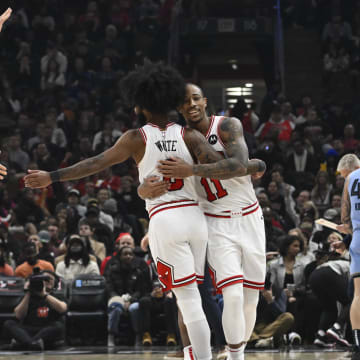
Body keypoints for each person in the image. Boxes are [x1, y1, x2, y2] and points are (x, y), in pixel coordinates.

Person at [24, 63, 264, 360]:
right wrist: (252, 166)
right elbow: (224, 166)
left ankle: (199, 357)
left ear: (139, 105)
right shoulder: (190, 135)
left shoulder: (136, 138)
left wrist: (53, 176)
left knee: (187, 301)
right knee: (196, 298)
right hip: (196, 219)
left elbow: (94, 163)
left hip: (165, 219)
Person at [150, 83, 266, 360]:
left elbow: (238, 166)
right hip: (214, 222)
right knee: (233, 295)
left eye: (195, 99)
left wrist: (193, 169)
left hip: (250, 216)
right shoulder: (179, 140)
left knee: (251, 298)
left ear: (204, 102)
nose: (190, 104)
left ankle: (237, 350)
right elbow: (245, 166)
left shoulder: (227, 125)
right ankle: (235, 356)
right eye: (184, 101)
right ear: (178, 108)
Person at [3, 268, 67, 351]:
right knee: (9, 323)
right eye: (43, 279)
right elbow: (18, 315)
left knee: (58, 326)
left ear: (55, 284)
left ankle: (24, 344)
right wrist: (28, 292)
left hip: (46, 331)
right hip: (28, 330)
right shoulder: (28, 297)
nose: (46, 281)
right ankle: (33, 344)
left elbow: (62, 309)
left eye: (49, 279)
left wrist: (44, 294)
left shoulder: (57, 296)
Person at [336, 153, 360, 360]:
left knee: (358, 295)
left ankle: (357, 343)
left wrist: (345, 235)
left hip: (358, 239)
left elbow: (345, 218)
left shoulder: (351, 180)